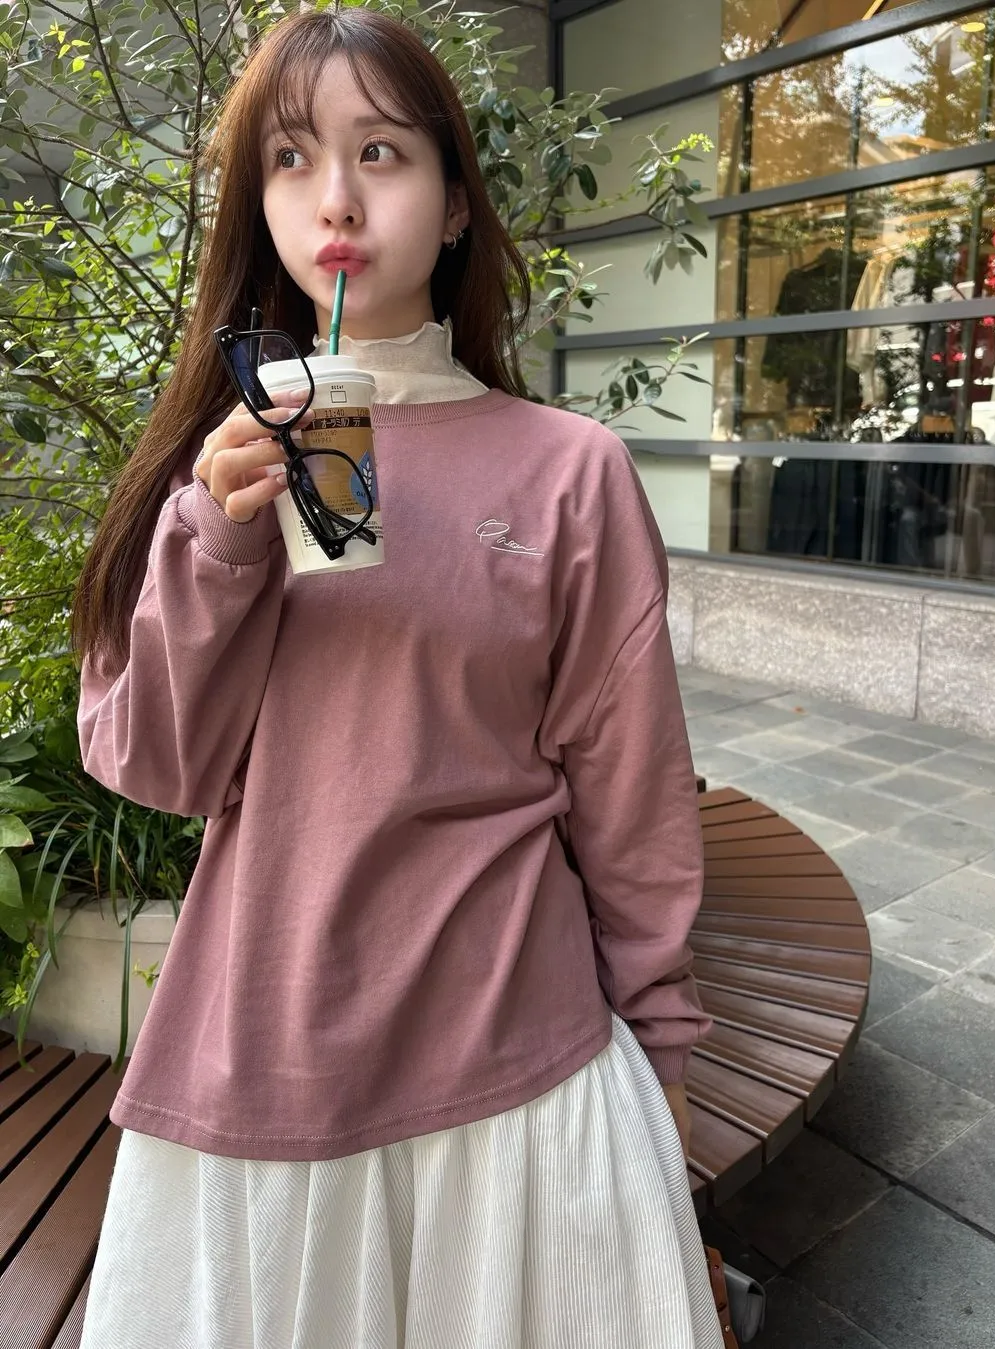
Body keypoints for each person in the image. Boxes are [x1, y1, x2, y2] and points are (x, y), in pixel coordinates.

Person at [72, 8, 720, 1347]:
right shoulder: (220, 468)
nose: (338, 199)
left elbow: (633, 791)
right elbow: (156, 765)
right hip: (266, 1060)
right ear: (258, 206)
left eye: (381, 152)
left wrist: (661, 1053)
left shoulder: (568, 470)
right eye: (292, 158)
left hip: (524, 1067)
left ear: (456, 201)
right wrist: (217, 541)